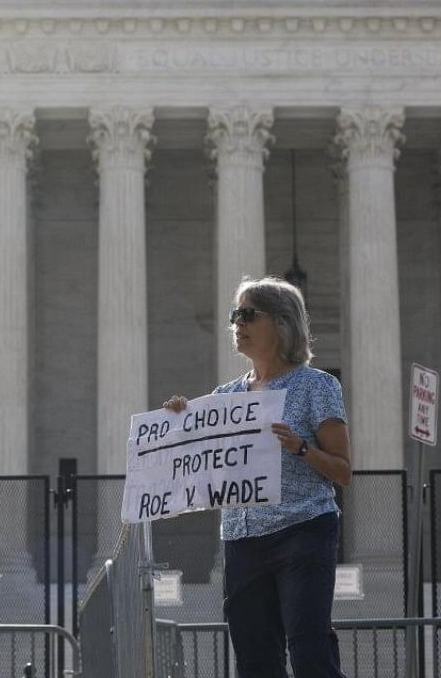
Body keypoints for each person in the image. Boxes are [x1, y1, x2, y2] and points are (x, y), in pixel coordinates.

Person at [164, 277, 352, 678]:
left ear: (282, 323)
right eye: (235, 315)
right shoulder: (226, 397)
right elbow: (198, 458)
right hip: (243, 539)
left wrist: (302, 448)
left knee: (309, 650)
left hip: (303, 531)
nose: (238, 323)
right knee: (254, 660)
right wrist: (181, 419)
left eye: (248, 314)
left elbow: (343, 470)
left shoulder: (317, 386)